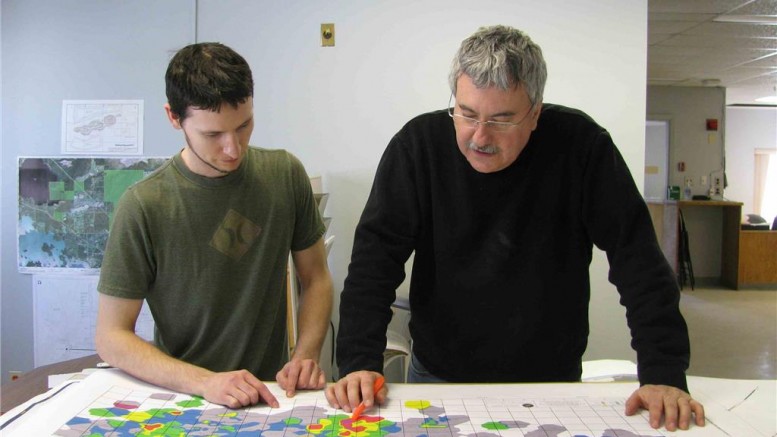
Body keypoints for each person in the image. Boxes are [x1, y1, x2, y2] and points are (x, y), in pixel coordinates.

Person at [326, 25, 705, 432]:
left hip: (551, 383)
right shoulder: (418, 146)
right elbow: (374, 261)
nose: (479, 137)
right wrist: (359, 362)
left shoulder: (582, 148)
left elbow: (638, 260)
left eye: (502, 120)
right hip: (438, 376)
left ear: (536, 113)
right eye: (467, 114)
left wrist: (663, 372)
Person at [95, 42, 333, 409]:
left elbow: (315, 278)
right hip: (185, 399)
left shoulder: (285, 175)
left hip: (271, 397)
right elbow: (111, 336)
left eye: (244, 126)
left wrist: (305, 354)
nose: (233, 148)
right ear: (174, 118)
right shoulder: (144, 205)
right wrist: (206, 383)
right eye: (212, 135)